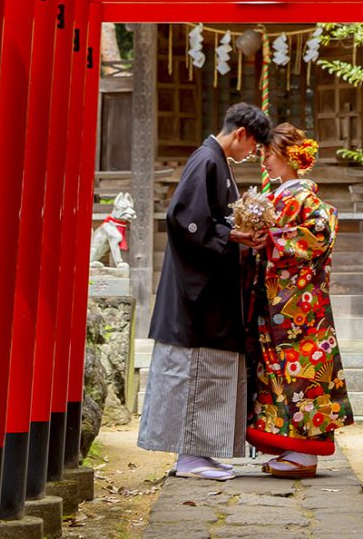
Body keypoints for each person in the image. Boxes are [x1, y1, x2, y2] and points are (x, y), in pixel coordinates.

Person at [137, 103, 273, 480]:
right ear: (241, 133)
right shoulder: (207, 160)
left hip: (212, 289)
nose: (251, 156)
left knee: (208, 372)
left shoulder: (217, 162)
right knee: (194, 372)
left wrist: (238, 233)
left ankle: (201, 453)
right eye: (252, 147)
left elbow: (212, 221)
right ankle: (189, 457)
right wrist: (232, 234)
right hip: (195, 295)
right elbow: (183, 219)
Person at [245, 123, 354, 478]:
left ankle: (306, 454)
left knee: (305, 373)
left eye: (268, 154)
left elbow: (318, 235)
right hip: (277, 302)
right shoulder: (281, 197)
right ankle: (290, 445)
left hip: (301, 305)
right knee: (277, 374)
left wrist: (273, 239)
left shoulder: (306, 198)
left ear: (290, 156)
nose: (263, 161)